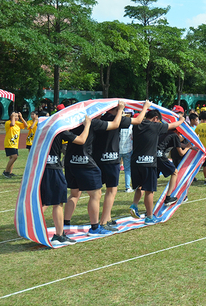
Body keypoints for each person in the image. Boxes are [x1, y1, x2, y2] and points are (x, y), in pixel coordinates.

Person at [63, 101, 126, 236]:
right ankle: (95, 227)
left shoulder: (72, 122)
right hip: (85, 162)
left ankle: (65, 224)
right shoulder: (93, 122)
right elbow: (115, 124)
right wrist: (120, 109)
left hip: (70, 162)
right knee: (95, 195)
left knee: (74, 194)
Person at [93, 101, 150, 231]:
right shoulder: (117, 118)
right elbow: (138, 121)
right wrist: (145, 107)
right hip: (112, 159)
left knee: (97, 192)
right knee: (111, 190)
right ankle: (103, 221)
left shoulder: (100, 119)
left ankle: (103, 220)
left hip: (97, 158)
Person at [129, 109, 185, 224]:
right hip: (148, 162)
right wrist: (182, 120)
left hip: (135, 162)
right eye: (158, 121)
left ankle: (134, 205)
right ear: (155, 118)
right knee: (149, 190)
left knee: (140, 186)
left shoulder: (136, 125)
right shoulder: (155, 126)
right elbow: (173, 125)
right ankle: (149, 217)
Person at [44, 116, 92, 246]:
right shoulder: (59, 129)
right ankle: (59, 235)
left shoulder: (43, 128)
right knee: (56, 202)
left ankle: (31, 226)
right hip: (54, 168)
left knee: (45, 200)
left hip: (41, 168)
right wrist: (87, 124)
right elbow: (81, 140)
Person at [3, 112, 27, 178]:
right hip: (9, 143)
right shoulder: (8, 122)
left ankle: (10, 172)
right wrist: (13, 116)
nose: (17, 117)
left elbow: (25, 125)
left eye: (17, 116)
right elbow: (12, 124)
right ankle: (6, 172)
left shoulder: (17, 123)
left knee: (12, 158)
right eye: (15, 116)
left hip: (15, 144)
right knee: (14, 157)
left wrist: (21, 117)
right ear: (11, 116)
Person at [119, 109, 134, 193]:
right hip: (128, 150)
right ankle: (128, 187)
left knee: (116, 169)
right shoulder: (131, 126)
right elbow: (132, 137)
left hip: (117, 150)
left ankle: (113, 186)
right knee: (127, 169)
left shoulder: (118, 125)